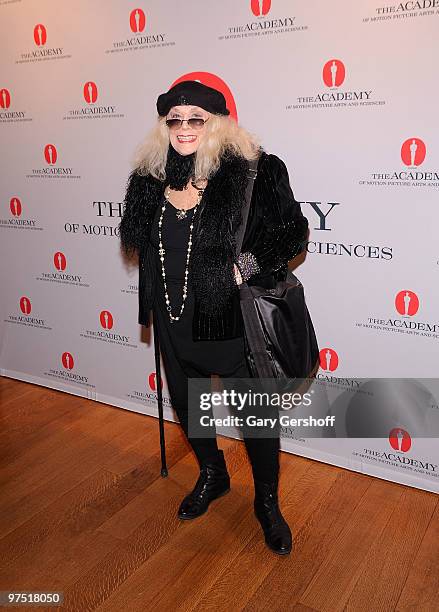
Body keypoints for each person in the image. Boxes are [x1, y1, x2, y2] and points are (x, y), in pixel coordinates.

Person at [118, 80, 309, 555]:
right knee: (188, 403)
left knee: (256, 417)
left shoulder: (256, 171)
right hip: (172, 315)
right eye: (174, 120)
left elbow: (292, 232)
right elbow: (144, 239)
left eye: (196, 119)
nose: (184, 129)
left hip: (229, 319)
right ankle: (213, 474)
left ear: (218, 121)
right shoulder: (152, 172)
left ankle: (267, 502)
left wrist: (243, 268)